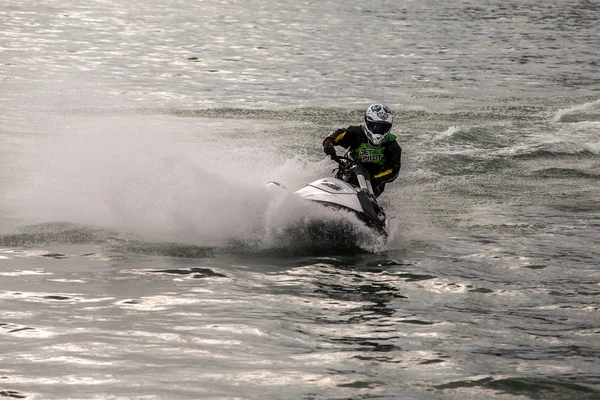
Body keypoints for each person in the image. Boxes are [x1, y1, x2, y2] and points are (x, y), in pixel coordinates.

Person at [322, 103, 402, 197]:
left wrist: (375, 179)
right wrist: (328, 143)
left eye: (383, 128)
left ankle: (370, 207)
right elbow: (338, 135)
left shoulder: (392, 145)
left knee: (371, 193)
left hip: (372, 185)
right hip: (348, 174)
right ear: (367, 123)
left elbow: (394, 171)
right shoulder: (356, 133)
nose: (378, 131)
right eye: (375, 126)